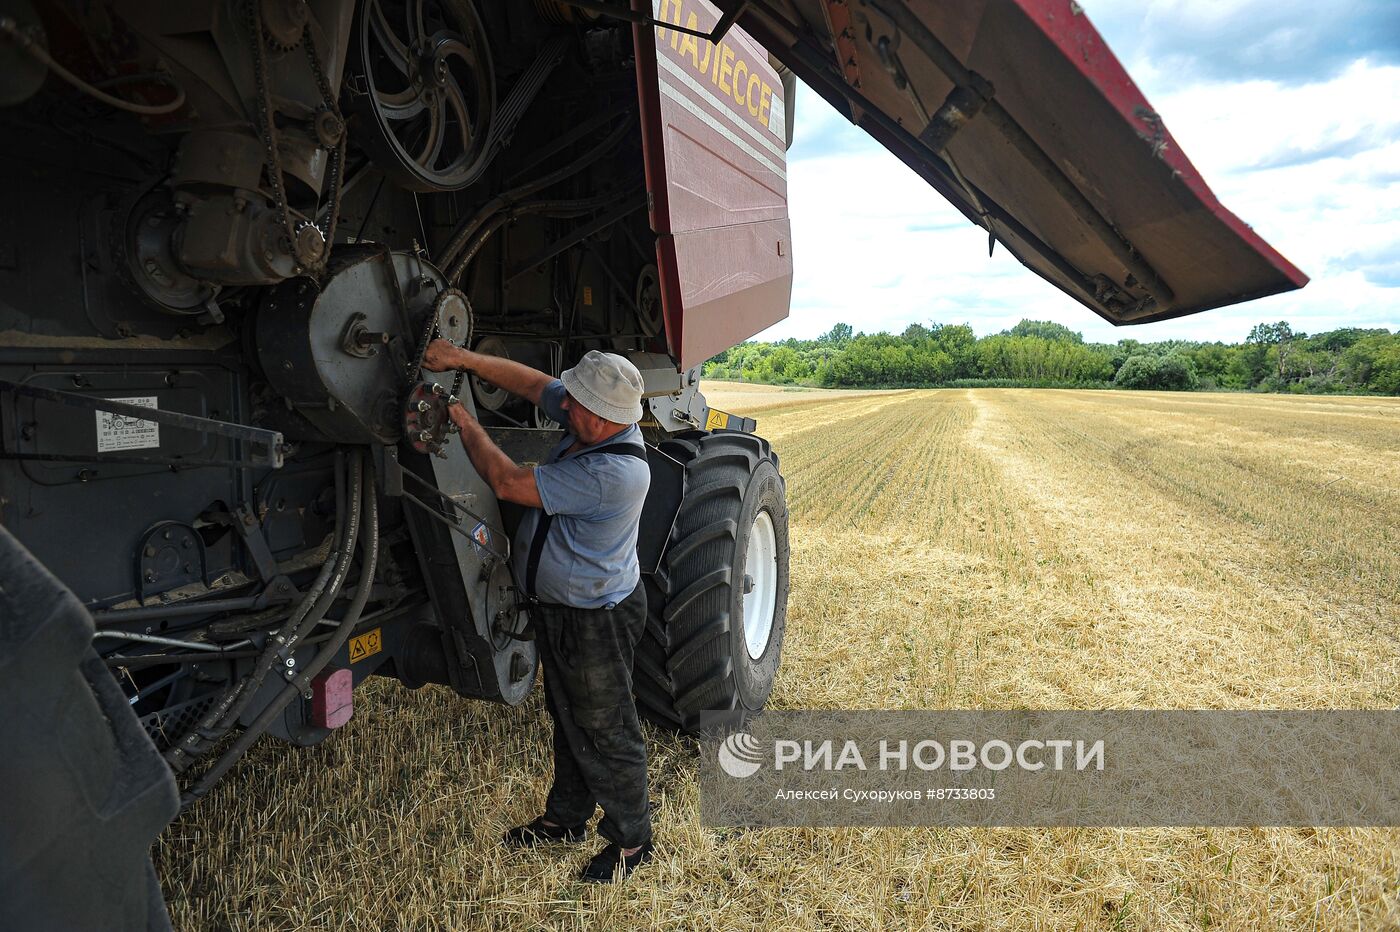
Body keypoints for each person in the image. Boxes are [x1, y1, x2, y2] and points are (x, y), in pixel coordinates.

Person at [421, 338, 655, 883]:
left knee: (607, 728)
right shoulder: (591, 416)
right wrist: (464, 360)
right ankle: (566, 819)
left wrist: (461, 420)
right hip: (565, 611)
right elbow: (533, 383)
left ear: (603, 418)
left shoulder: (616, 474)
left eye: (574, 405)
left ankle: (632, 842)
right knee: (570, 717)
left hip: (593, 620)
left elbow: (504, 480)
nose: (561, 406)